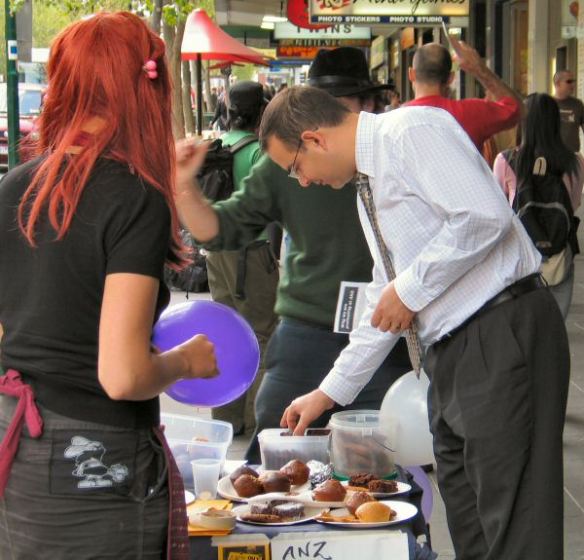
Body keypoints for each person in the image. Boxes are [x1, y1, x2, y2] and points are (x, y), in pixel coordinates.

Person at [260, 85, 570, 560]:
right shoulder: (367, 185)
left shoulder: (411, 130)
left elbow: (484, 216)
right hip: (450, 351)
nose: (302, 181)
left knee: (515, 522)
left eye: (295, 167)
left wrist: (410, 291)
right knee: (470, 519)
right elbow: (382, 303)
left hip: (500, 328)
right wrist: (327, 393)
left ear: (315, 139)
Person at [0, 12, 218, 559]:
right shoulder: (133, 197)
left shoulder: (15, 187)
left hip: (17, 446)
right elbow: (123, 376)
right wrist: (186, 362)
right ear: (148, 87)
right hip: (92, 459)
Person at [175, 47, 410, 464]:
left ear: (367, 107)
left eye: (342, 107)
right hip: (307, 336)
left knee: (383, 467)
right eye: (321, 108)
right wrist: (182, 186)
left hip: (387, 334)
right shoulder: (285, 160)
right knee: (275, 461)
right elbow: (220, 230)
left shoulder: (395, 151)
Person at [206, 81, 279, 436]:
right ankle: (256, 422)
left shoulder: (217, 146)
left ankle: (226, 419)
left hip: (216, 255)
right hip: (253, 256)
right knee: (262, 335)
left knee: (227, 334)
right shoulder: (259, 153)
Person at [493, 93, 584, 318]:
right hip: (559, 256)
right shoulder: (576, 163)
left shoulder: (506, 161)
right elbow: (574, 203)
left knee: (524, 331)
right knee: (554, 329)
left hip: (519, 260)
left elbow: (498, 208)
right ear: (556, 122)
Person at [406, 41, 521, 152]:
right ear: (451, 78)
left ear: (411, 74)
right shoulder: (472, 113)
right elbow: (516, 109)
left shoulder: (393, 121)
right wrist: (480, 69)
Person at [553, 70, 584, 152]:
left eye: (573, 81)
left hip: (572, 156)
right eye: (569, 82)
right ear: (558, 83)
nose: (572, 85)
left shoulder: (578, 105)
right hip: (551, 156)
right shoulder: (546, 104)